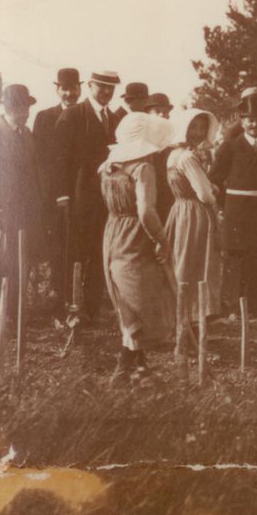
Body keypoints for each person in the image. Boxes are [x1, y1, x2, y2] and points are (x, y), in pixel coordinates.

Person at [98, 112, 174, 382]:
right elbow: (145, 211)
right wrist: (162, 239)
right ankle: (123, 368)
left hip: (113, 232)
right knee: (140, 297)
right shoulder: (143, 169)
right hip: (134, 236)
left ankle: (138, 367)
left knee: (126, 299)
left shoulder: (109, 165)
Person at [52, 70, 121, 321]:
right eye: (101, 86)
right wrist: (62, 195)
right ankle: (66, 310)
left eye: (110, 88)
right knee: (73, 254)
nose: (106, 92)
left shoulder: (113, 119)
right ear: (90, 86)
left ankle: (91, 310)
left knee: (99, 251)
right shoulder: (72, 115)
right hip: (78, 199)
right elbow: (58, 160)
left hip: (105, 199)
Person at [209, 88, 257, 317]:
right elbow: (214, 179)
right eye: (250, 120)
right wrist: (228, 205)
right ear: (242, 121)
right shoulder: (230, 147)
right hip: (237, 214)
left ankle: (256, 308)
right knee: (237, 260)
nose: (254, 125)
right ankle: (234, 310)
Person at [0, 84, 45, 323]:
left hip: (26, 210)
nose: (25, 112)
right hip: (3, 212)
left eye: (27, 106)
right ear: (7, 107)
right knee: (3, 261)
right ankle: (3, 313)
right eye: (19, 107)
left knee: (22, 260)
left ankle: (17, 310)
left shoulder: (26, 134)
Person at [163, 109, 221, 319]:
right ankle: (193, 314)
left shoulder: (173, 155)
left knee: (182, 258)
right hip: (194, 213)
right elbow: (204, 195)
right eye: (193, 127)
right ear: (183, 129)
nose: (197, 132)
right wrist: (213, 191)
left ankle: (180, 312)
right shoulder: (188, 157)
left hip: (180, 210)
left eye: (202, 127)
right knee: (193, 262)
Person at [32, 67, 82, 306]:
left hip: (83, 190)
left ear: (80, 89)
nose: (69, 93)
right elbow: (42, 160)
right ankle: (56, 292)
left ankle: (75, 293)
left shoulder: (86, 114)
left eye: (73, 88)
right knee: (57, 243)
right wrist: (57, 194)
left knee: (79, 242)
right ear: (57, 90)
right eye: (65, 89)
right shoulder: (45, 117)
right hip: (54, 194)